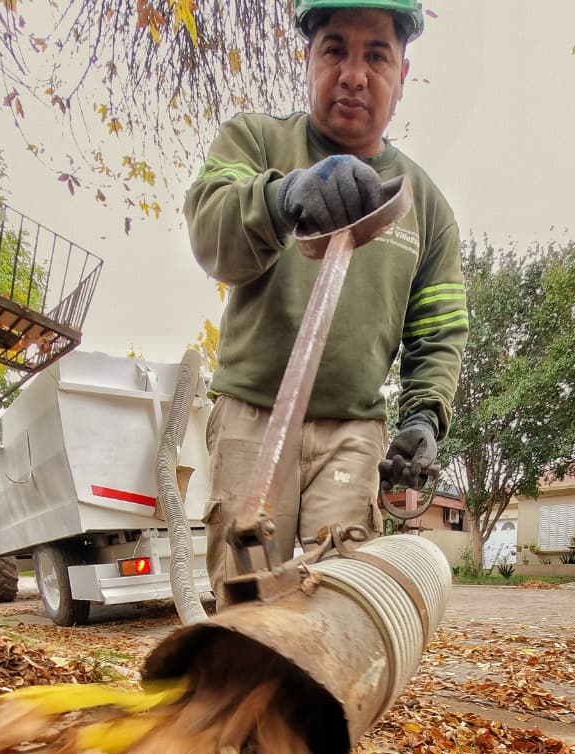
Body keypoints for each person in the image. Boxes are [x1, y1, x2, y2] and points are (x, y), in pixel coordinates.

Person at [184, 0, 468, 605]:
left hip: (353, 431)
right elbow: (212, 235)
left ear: (403, 75)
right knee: (244, 604)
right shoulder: (257, 141)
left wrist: (423, 417)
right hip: (252, 418)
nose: (354, 74)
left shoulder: (427, 206)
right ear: (308, 58)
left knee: (338, 605)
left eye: (376, 55)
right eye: (335, 49)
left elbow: (439, 328)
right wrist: (284, 197)